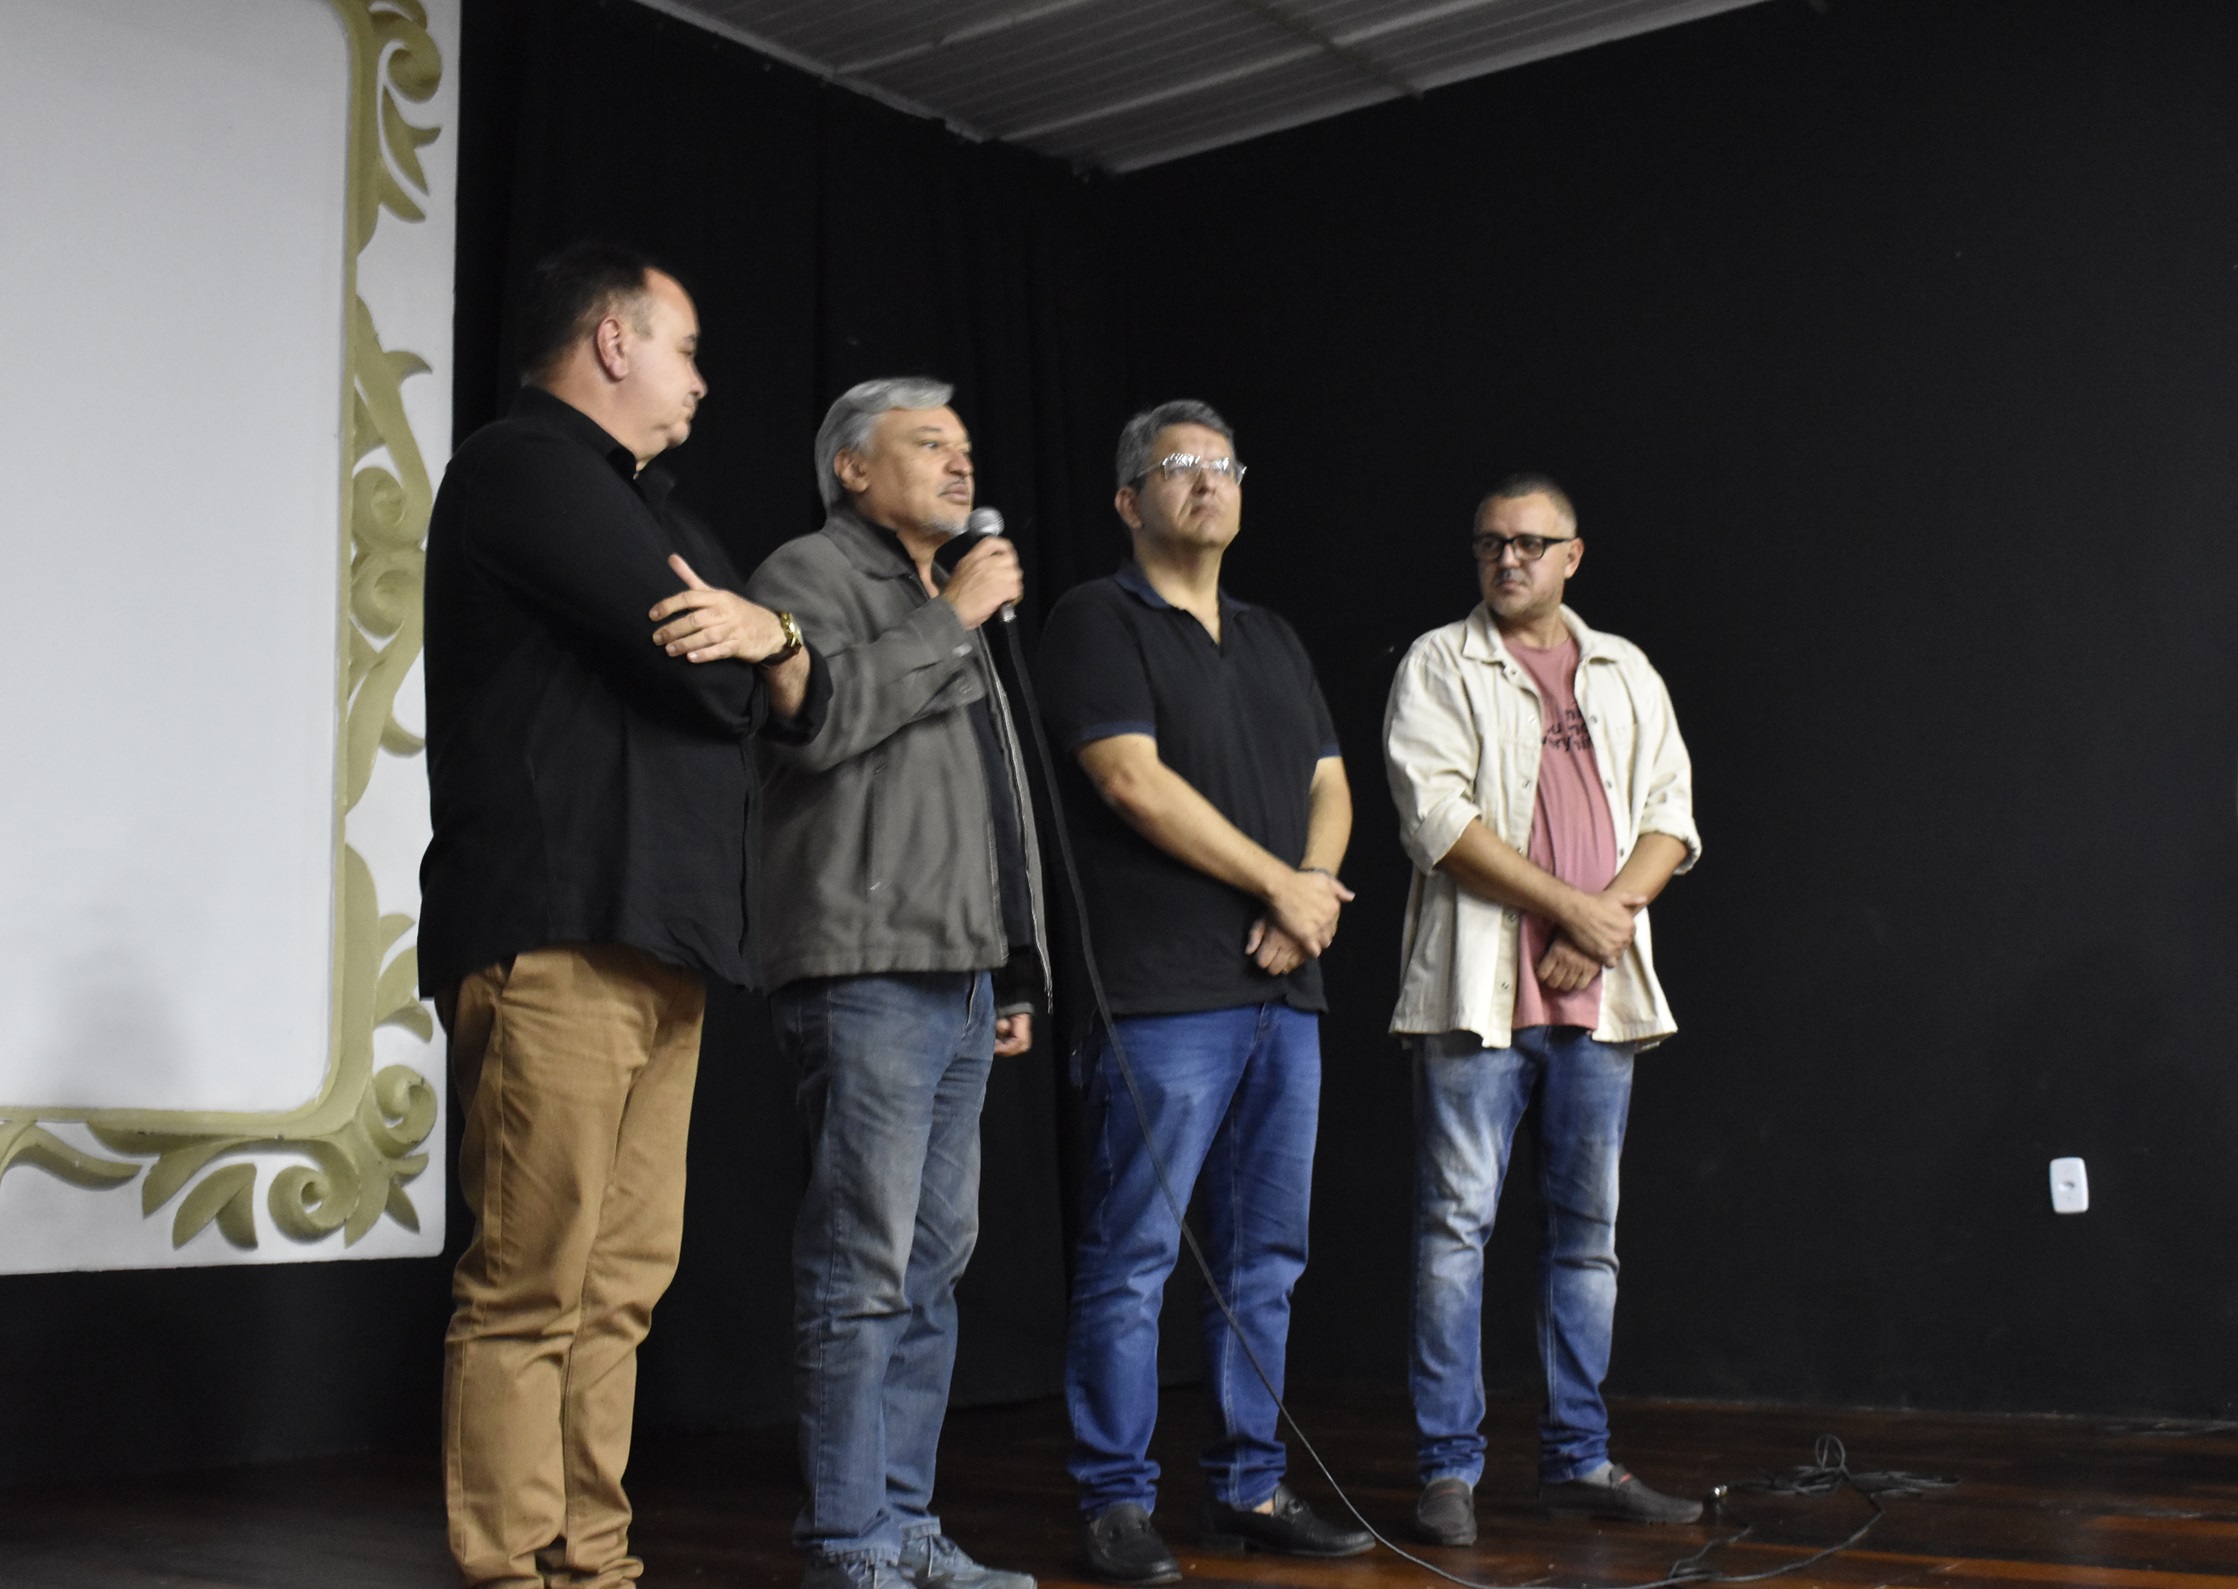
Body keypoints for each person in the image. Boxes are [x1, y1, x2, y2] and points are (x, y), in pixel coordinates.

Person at [421, 241, 820, 1588]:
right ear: (611, 341)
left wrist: (774, 639)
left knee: (621, 1285)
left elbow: (793, 687)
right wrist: (763, 649)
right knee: (532, 1279)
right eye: (684, 350)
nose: (701, 383)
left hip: (660, 938)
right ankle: (511, 1564)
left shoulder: (654, 507)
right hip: (558, 927)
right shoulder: (522, 468)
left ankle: (593, 1561)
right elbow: (707, 676)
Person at [1036, 401, 1373, 1584]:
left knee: (1264, 1255)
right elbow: (1130, 781)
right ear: (1130, 499)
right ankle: (1115, 1500)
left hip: (1285, 991)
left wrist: (1310, 890)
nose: (1206, 479)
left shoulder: (1272, 634)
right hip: (1162, 996)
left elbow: (1332, 783)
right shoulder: (1095, 618)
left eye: (1222, 463)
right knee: (1134, 1254)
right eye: (1177, 464)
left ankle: (1249, 1486)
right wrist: (1282, 884)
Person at [743, 378, 1047, 1589]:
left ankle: (905, 1519)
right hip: (866, 965)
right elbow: (816, 720)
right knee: (862, 1256)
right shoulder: (807, 572)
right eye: (929, 443)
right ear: (853, 467)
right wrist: (955, 616)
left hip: (958, 969)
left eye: (965, 446)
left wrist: (1013, 966)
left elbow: (989, 804)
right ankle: (846, 1535)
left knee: (933, 1262)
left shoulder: (942, 596)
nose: (960, 463)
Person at [1382, 475, 1702, 1546]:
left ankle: (1578, 1457)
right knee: (1453, 1230)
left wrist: (1601, 926)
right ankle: (1448, 1470)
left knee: (1586, 1237)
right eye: (1489, 543)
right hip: (1476, 996)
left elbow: (1671, 815)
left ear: (1573, 554)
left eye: (1528, 543)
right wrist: (1576, 910)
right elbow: (1437, 820)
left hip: (1597, 1003)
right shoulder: (1441, 661)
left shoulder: (1624, 669)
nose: (1506, 559)